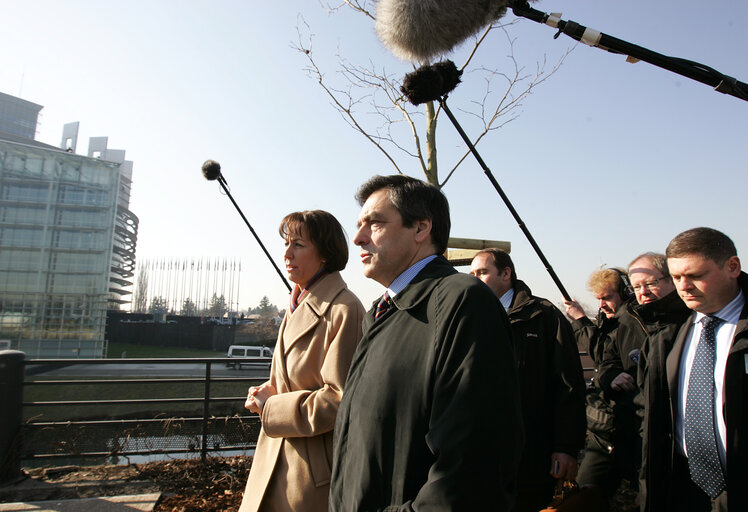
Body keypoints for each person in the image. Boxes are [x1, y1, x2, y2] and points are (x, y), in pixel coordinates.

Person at [330, 175, 523, 511]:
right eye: (359, 225)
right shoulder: (379, 312)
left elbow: (473, 466)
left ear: (420, 229)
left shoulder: (463, 302)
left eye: (373, 223)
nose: (358, 238)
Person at [238, 210, 365, 512]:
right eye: (286, 243)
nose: (287, 253)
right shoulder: (298, 301)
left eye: (298, 244)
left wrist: (273, 406)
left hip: (310, 476)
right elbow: (292, 379)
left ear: (325, 253)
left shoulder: (344, 309)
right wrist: (265, 392)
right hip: (277, 457)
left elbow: (339, 400)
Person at [470, 248, 586, 512]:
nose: (474, 279)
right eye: (472, 273)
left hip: (531, 453)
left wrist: (566, 448)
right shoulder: (468, 316)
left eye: (482, 272)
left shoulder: (544, 317)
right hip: (479, 451)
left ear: (506, 273)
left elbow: (568, 385)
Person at [640, 227, 747, 511]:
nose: (684, 286)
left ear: (732, 267)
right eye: (676, 277)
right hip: (683, 488)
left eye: (696, 276)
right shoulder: (667, 330)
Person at [563, 268, 632, 507]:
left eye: (607, 297)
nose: (602, 304)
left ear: (626, 292)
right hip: (606, 430)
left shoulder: (630, 323)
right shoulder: (611, 321)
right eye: (599, 299)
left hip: (625, 427)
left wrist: (581, 321)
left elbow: (602, 353)